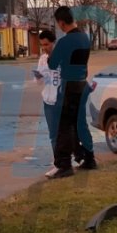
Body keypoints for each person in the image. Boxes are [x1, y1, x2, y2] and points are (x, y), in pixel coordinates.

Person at [47, 6, 96, 179]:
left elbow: (52, 64)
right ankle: (89, 158)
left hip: (68, 86)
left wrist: (49, 55)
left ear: (61, 22)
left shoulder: (64, 41)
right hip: (83, 84)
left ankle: (64, 164)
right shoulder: (85, 38)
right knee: (80, 123)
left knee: (63, 126)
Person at [36, 30, 85, 178]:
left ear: (54, 42)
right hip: (48, 101)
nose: (45, 47)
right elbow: (40, 81)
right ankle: (60, 164)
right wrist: (40, 75)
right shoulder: (43, 59)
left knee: (69, 131)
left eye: (47, 44)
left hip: (63, 100)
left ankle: (77, 158)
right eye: (42, 45)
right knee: (53, 135)